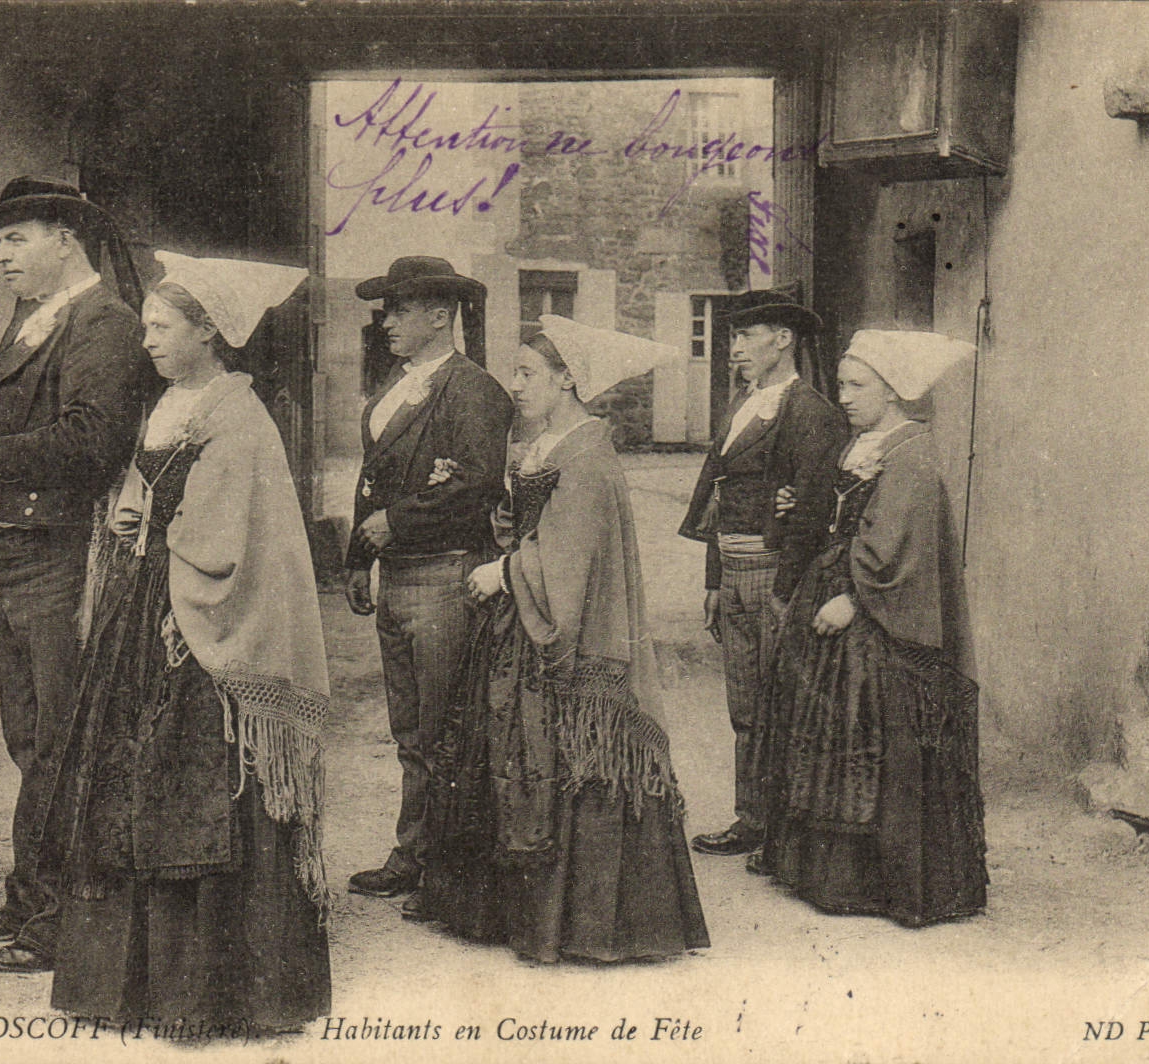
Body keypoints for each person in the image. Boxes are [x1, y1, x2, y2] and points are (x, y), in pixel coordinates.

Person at [33, 251, 330, 1030]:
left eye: (164, 329)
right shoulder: (169, 406)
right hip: (145, 603)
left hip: (192, 621)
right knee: (124, 777)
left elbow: (225, 530)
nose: (151, 342)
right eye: (150, 329)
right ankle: (124, 984)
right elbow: (150, 485)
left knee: (189, 779)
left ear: (208, 332)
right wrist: (132, 505)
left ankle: (214, 992)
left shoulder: (236, 414)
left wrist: (161, 536)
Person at [419, 314, 710, 963]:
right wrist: (510, 526)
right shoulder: (552, 445)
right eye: (516, 371)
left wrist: (507, 569)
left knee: (560, 756)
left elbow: (567, 566)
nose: (515, 384)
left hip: (559, 639)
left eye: (528, 373)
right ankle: (513, 915)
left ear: (567, 379)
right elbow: (537, 530)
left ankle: (579, 925)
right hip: (520, 629)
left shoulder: (583, 458)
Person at [0, 176, 157, 973]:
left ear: (66, 239)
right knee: (30, 735)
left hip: (71, 556)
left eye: (15, 238)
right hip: (20, 546)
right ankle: (33, 893)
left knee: (65, 738)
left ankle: (66, 919)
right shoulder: (38, 320)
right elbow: (12, 421)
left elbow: (93, 440)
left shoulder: (104, 322)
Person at [756, 329, 988, 927]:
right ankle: (822, 872)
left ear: (892, 392)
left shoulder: (910, 454)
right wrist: (801, 508)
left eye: (858, 386)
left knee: (876, 738)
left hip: (878, 622)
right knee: (834, 734)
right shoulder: (868, 444)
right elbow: (845, 522)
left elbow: (895, 551)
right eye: (842, 385)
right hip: (839, 597)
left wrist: (853, 601)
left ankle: (879, 884)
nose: (846, 397)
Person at [344, 256, 515, 900]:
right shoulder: (394, 387)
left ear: (439, 316)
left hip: (448, 576)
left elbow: (476, 488)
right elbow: (370, 482)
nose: (386, 322)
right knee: (409, 727)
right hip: (398, 576)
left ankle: (449, 868)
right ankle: (414, 852)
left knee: (447, 725)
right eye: (387, 309)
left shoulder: (474, 390)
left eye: (399, 309)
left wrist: (398, 522)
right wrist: (360, 559)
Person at [679, 284, 848, 858]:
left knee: (783, 704)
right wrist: (711, 580)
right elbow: (719, 497)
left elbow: (812, 514)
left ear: (783, 339)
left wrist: (783, 591)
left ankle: (788, 832)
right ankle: (752, 818)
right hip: (734, 569)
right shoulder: (741, 405)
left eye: (747, 336)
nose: (735, 348)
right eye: (732, 336)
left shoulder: (810, 413)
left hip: (775, 573)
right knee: (745, 705)